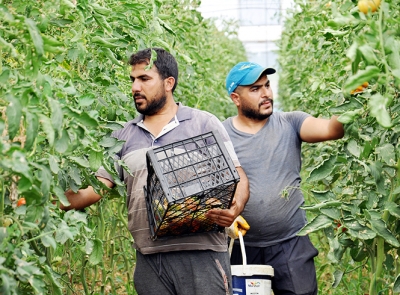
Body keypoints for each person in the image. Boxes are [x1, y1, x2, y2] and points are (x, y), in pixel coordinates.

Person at [61, 48, 249, 295]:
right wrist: (49, 199)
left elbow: (238, 176)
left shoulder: (203, 124)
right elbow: (95, 189)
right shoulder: (123, 136)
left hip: (202, 255)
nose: (135, 88)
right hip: (150, 260)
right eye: (133, 80)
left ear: (169, 83)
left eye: (144, 79)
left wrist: (234, 209)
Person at [223, 61, 344, 295]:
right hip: (241, 248)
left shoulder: (291, 123)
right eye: (255, 89)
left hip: (291, 244)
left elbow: (332, 129)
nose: (266, 93)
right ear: (236, 98)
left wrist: (351, 95)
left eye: (267, 85)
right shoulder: (221, 134)